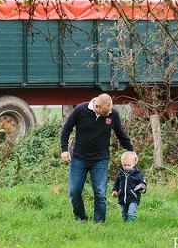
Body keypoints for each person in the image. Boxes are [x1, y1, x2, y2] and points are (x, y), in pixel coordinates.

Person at [60, 93, 135, 222]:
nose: (108, 114)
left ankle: (99, 223)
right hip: (79, 158)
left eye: (109, 111)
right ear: (96, 106)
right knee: (74, 192)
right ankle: (81, 219)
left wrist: (131, 150)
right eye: (105, 112)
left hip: (100, 159)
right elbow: (66, 128)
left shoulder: (113, 114)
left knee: (100, 193)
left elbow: (121, 134)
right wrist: (64, 149)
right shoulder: (80, 110)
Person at [111, 151, 147, 222]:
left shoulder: (137, 174)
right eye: (124, 165)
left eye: (128, 165)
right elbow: (116, 184)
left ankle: (132, 225)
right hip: (122, 198)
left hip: (133, 198)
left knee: (131, 213)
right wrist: (115, 191)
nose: (126, 167)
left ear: (134, 164)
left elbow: (143, 184)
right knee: (124, 215)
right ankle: (126, 226)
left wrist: (143, 189)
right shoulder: (120, 173)